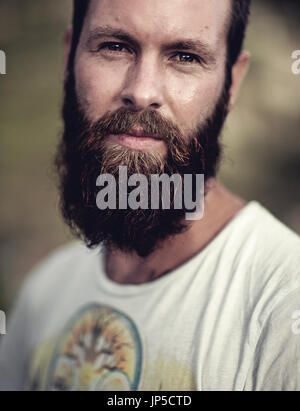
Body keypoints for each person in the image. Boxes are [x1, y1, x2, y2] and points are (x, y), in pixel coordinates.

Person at [0, 0, 300, 391]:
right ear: (68, 57)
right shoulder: (44, 294)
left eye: (185, 56)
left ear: (232, 83)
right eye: (115, 46)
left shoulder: (281, 307)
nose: (141, 92)